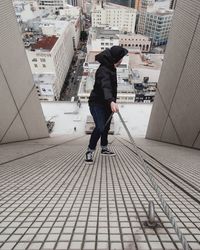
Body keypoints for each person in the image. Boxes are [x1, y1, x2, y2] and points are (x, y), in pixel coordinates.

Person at [85, 46, 128, 164]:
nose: (122, 61)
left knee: (106, 127)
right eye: (121, 59)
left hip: (107, 103)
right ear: (115, 58)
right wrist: (111, 100)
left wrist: (111, 101)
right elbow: (106, 86)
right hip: (97, 103)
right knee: (100, 127)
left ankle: (104, 148)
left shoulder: (111, 67)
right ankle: (90, 151)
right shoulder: (103, 70)